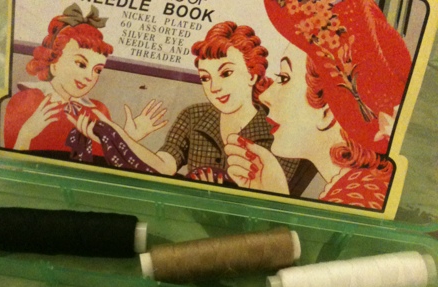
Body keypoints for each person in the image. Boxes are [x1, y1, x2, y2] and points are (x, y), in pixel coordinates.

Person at [72, 21, 311, 189]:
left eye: (226, 73)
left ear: (252, 75)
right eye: (205, 78)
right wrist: (115, 133)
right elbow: (164, 166)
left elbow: (277, 195)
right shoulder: (193, 116)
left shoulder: (281, 130)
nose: (214, 87)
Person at [225, 0, 412, 210]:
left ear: (327, 111)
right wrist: (274, 194)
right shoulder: (365, 187)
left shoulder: (356, 198)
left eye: (284, 78)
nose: (264, 96)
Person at [4, 3, 166, 161]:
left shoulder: (98, 111)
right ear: (54, 62)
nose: (90, 76)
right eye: (81, 64)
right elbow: (10, 163)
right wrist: (26, 133)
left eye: (97, 70)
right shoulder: (26, 101)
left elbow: (103, 166)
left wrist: (127, 139)